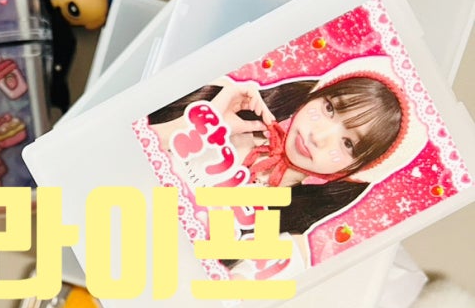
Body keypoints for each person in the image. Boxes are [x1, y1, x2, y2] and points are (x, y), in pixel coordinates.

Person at [146, 70, 405, 268]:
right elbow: (125, 143)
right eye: (330, 108)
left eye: (348, 144)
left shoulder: (292, 239)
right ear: (316, 94)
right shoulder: (226, 102)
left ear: (356, 169)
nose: (319, 136)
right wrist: (196, 125)